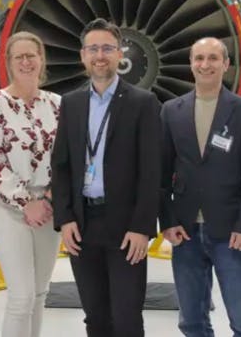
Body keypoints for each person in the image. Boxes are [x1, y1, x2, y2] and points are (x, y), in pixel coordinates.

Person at [51, 18, 162, 337]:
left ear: (119, 54)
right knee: (95, 317)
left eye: (108, 48)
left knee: (127, 318)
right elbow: (61, 165)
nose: (100, 55)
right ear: (83, 55)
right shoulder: (71, 103)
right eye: (94, 48)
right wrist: (65, 218)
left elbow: (151, 170)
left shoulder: (143, 103)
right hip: (82, 225)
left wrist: (142, 228)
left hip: (126, 227)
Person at [160, 37, 241, 337]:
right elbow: (162, 173)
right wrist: (167, 222)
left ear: (226, 64)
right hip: (185, 232)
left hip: (231, 232)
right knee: (191, 322)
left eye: (213, 58)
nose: (206, 65)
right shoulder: (171, 111)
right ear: (191, 64)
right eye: (199, 58)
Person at [0, 31, 61, 337]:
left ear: (41, 60)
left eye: (32, 55)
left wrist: (48, 200)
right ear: (9, 63)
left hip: (48, 207)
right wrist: (28, 202)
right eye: (19, 57)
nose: (26, 62)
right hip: (9, 206)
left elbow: (67, 158)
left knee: (40, 293)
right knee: (21, 296)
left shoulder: (56, 104)